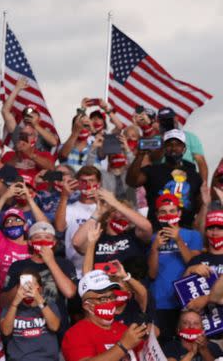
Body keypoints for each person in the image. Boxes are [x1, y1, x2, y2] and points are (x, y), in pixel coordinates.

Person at [61, 270, 149, 361]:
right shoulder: (76, 334)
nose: (109, 302)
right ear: (87, 305)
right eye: (103, 299)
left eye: (112, 297)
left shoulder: (125, 330)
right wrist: (123, 346)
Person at [147, 194, 202, 339]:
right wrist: (154, 248)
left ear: (179, 213)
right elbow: (152, 274)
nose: (168, 215)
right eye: (163, 211)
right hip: (160, 302)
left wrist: (178, 240)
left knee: (188, 344)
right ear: (157, 215)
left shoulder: (193, 235)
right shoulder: (154, 238)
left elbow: (194, 265)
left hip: (187, 300)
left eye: (172, 211)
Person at [127, 129, 203, 228]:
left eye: (178, 145)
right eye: (169, 145)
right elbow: (132, 182)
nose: (174, 148)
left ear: (184, 148)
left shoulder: (194, 175)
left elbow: (199, 206)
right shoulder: (153, 170)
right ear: (164, 148)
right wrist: (140, 155)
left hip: (185, 229)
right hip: (157, 229)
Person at [0, 270, 60, 361]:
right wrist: (15, 303)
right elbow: (6, 331)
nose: (27, 288)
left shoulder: (50, 306)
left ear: (39, 288)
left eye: (31, 285)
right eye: (24, 285)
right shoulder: (9, 308)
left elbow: (55, 327)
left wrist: (39, 299)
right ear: (18, 288)